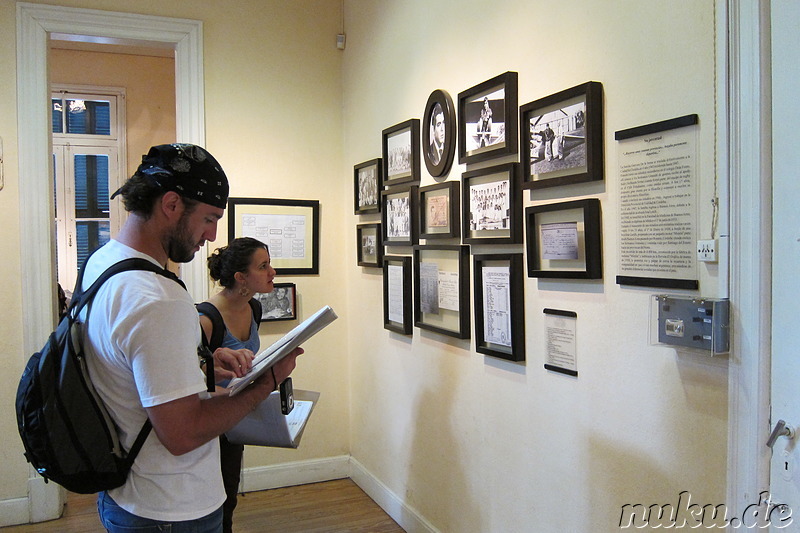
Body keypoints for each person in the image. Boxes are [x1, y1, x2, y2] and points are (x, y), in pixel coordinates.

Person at [81, 143, 302, 532]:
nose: (213, 234)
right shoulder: (156, 298)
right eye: (209, 218)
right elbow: (182, 434)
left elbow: (133, 368)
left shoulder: (103, 263)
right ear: (170, 204)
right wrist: (268, 379)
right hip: (170, 509)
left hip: (127, 493)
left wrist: (201, 364)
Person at [199, 237, 274, 533]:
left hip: (235, 416)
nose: (272, 272)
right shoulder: (206, 318)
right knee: (210, 496)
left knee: (229, 492)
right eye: (263, 266)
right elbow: (191, 380)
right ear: (241, 278)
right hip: (208, 421)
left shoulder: (254, 308)